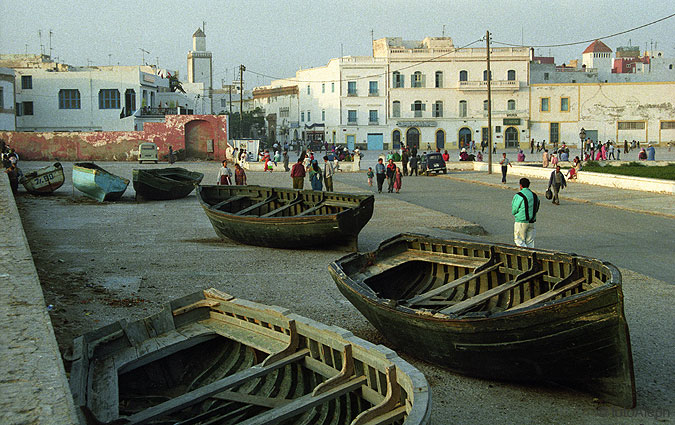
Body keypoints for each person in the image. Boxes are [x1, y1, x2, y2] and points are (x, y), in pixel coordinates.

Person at [512, 178, 540, 248]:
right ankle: (531, 256)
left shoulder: (519, 195)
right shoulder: (535, 195)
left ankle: (524, 256)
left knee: (519, 240)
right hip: (532, 221)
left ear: (520, 185)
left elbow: (514, 209)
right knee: (530, 242)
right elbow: (537, 207)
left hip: (521, 221)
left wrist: (516, 214)